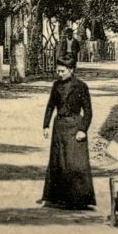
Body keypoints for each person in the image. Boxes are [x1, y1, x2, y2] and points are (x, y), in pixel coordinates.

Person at [40, 54, 96, 210]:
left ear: (71, 70)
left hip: (75, 128)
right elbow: (51, 106)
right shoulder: (56, 86)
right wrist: (46, 125)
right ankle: (58, 198)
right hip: (59, 128)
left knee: (74, 163)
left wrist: (83, 129)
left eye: (63, 71)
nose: (59, 74)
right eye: (58, 71)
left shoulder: (81, 86)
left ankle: (78, 199)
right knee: (59, 162)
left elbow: (89, 112)